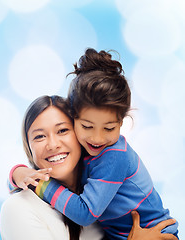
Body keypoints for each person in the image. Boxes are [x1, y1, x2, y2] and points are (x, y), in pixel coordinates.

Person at [9, 49, 179, 239]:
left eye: (109, 128)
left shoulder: (114, 156)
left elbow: (85, 214)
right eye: (87, 126)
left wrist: (39, 185)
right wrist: (19, 174)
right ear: (74, 118)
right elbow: (20, 183)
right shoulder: (85, 151)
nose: (97, 139)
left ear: (121, 123)